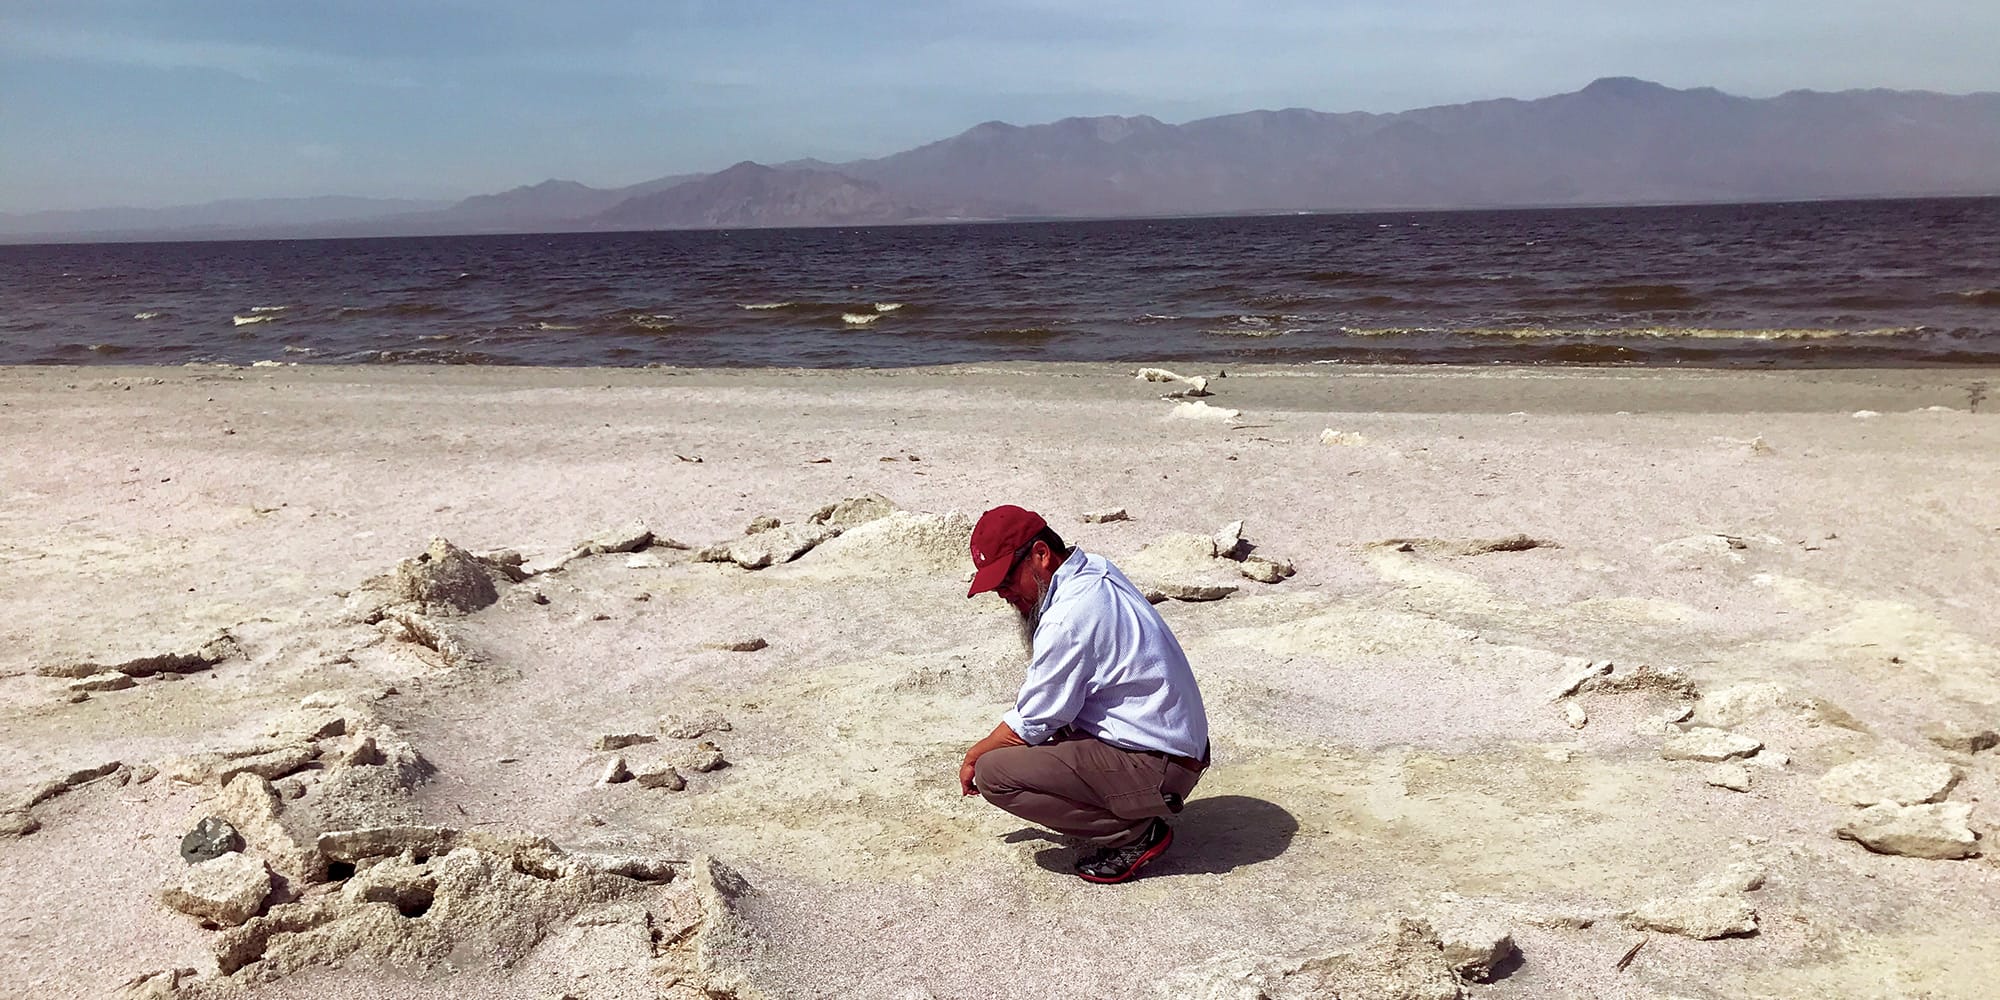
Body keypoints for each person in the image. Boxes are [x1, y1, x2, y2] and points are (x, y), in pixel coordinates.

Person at [958, 504, 1210, 884]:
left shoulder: (1068, 616)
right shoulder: (1094, 568)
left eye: (1006, 580)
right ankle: (1129, 806)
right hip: (1175, 746)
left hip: (1159, 765)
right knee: (1047, 736)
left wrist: (974, 755)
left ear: (1041, 554)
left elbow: (1031, 720)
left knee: (994, 773)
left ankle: (1134, 834)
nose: (1004, 595)